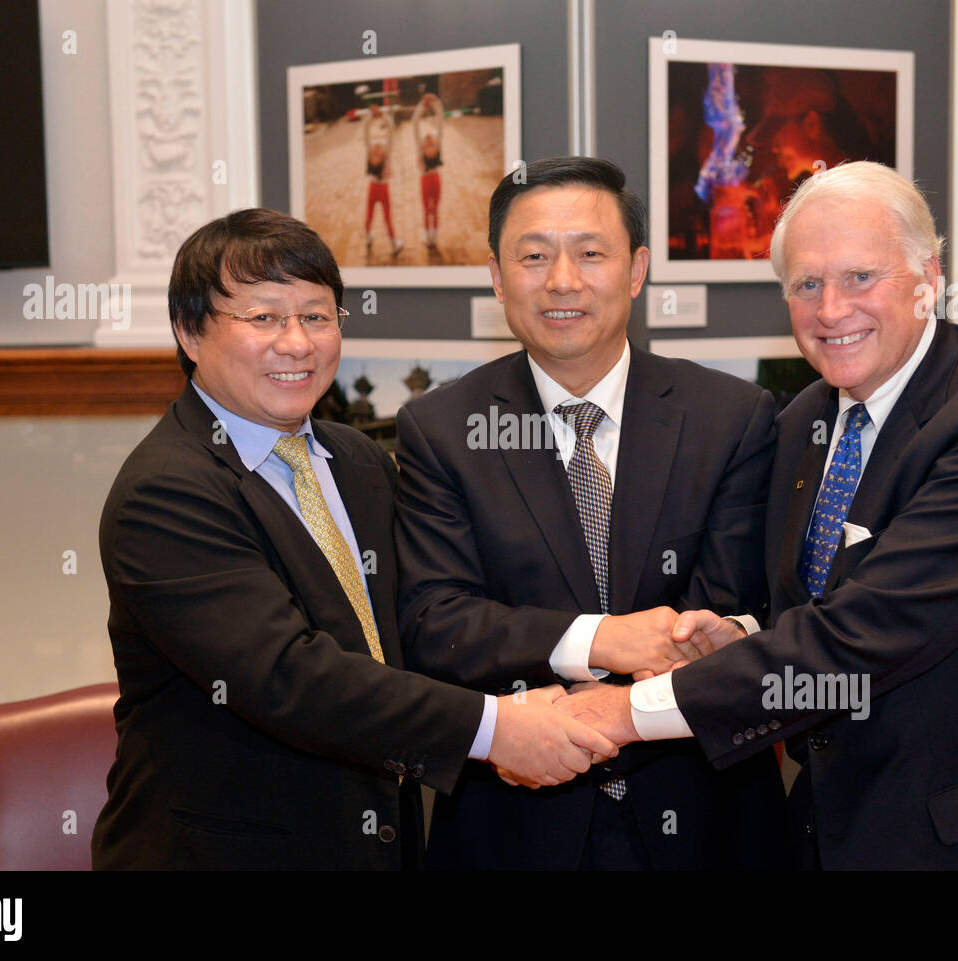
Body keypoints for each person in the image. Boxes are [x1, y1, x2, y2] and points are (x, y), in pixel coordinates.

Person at [556, 161, 958, 870]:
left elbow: (868, 631)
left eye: (860, 277)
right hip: (839, 829)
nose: (831, 310)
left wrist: (621, 712)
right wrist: (740, 636)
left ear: (928, 275)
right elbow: (814, 608)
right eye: (807, 284)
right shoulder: (806, 417)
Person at [91, 209, 615, 870]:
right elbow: (288, 675)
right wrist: (495, 729)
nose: (297, 343)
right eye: (263, 319)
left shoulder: (358, 460)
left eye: (317, 316)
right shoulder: (166, 492)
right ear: (190, 332)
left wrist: (564, 668)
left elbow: (417, 625)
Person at [395, 157, 789, 870]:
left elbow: (722, 616)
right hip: (513, 822)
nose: (562, 281)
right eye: (534, 256)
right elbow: (437, 621)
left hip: (705, 815)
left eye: (590, 253)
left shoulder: (731, 416)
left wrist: (595, 711)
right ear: (496, 275)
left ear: (637, 270)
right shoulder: (440, 428)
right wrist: (604, 638)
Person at [363, 104, 402, 258]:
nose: (377, 145)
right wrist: (381, 115)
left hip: (374, 187)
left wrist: (373, 117)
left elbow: (368, 131)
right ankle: (392, 244)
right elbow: (390, 131)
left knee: (371, 215)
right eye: (375, 147)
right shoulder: (385, 155)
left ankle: (370, 238)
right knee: (384, 217)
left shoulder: (375, 154)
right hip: (382, 188)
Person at [411, 91, 445, 249]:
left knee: (435, 209)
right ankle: (427, 234)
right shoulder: (421, 149)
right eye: (425, 139)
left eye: (431, 137)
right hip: (425, 180)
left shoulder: (438, 145)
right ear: (422, 146)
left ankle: (435, 236)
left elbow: (440, 120)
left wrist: (435, 102)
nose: (428, 138)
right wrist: (422, 106)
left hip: (435, 179)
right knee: (426, 209)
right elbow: (415, 123)